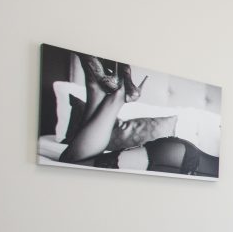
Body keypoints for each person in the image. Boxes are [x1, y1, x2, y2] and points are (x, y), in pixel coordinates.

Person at [58, 53, 218, 176]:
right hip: (176, 160)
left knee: (74, 162)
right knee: (71, 165)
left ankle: (97, 89)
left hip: (177, 155)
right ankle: (115, 95)